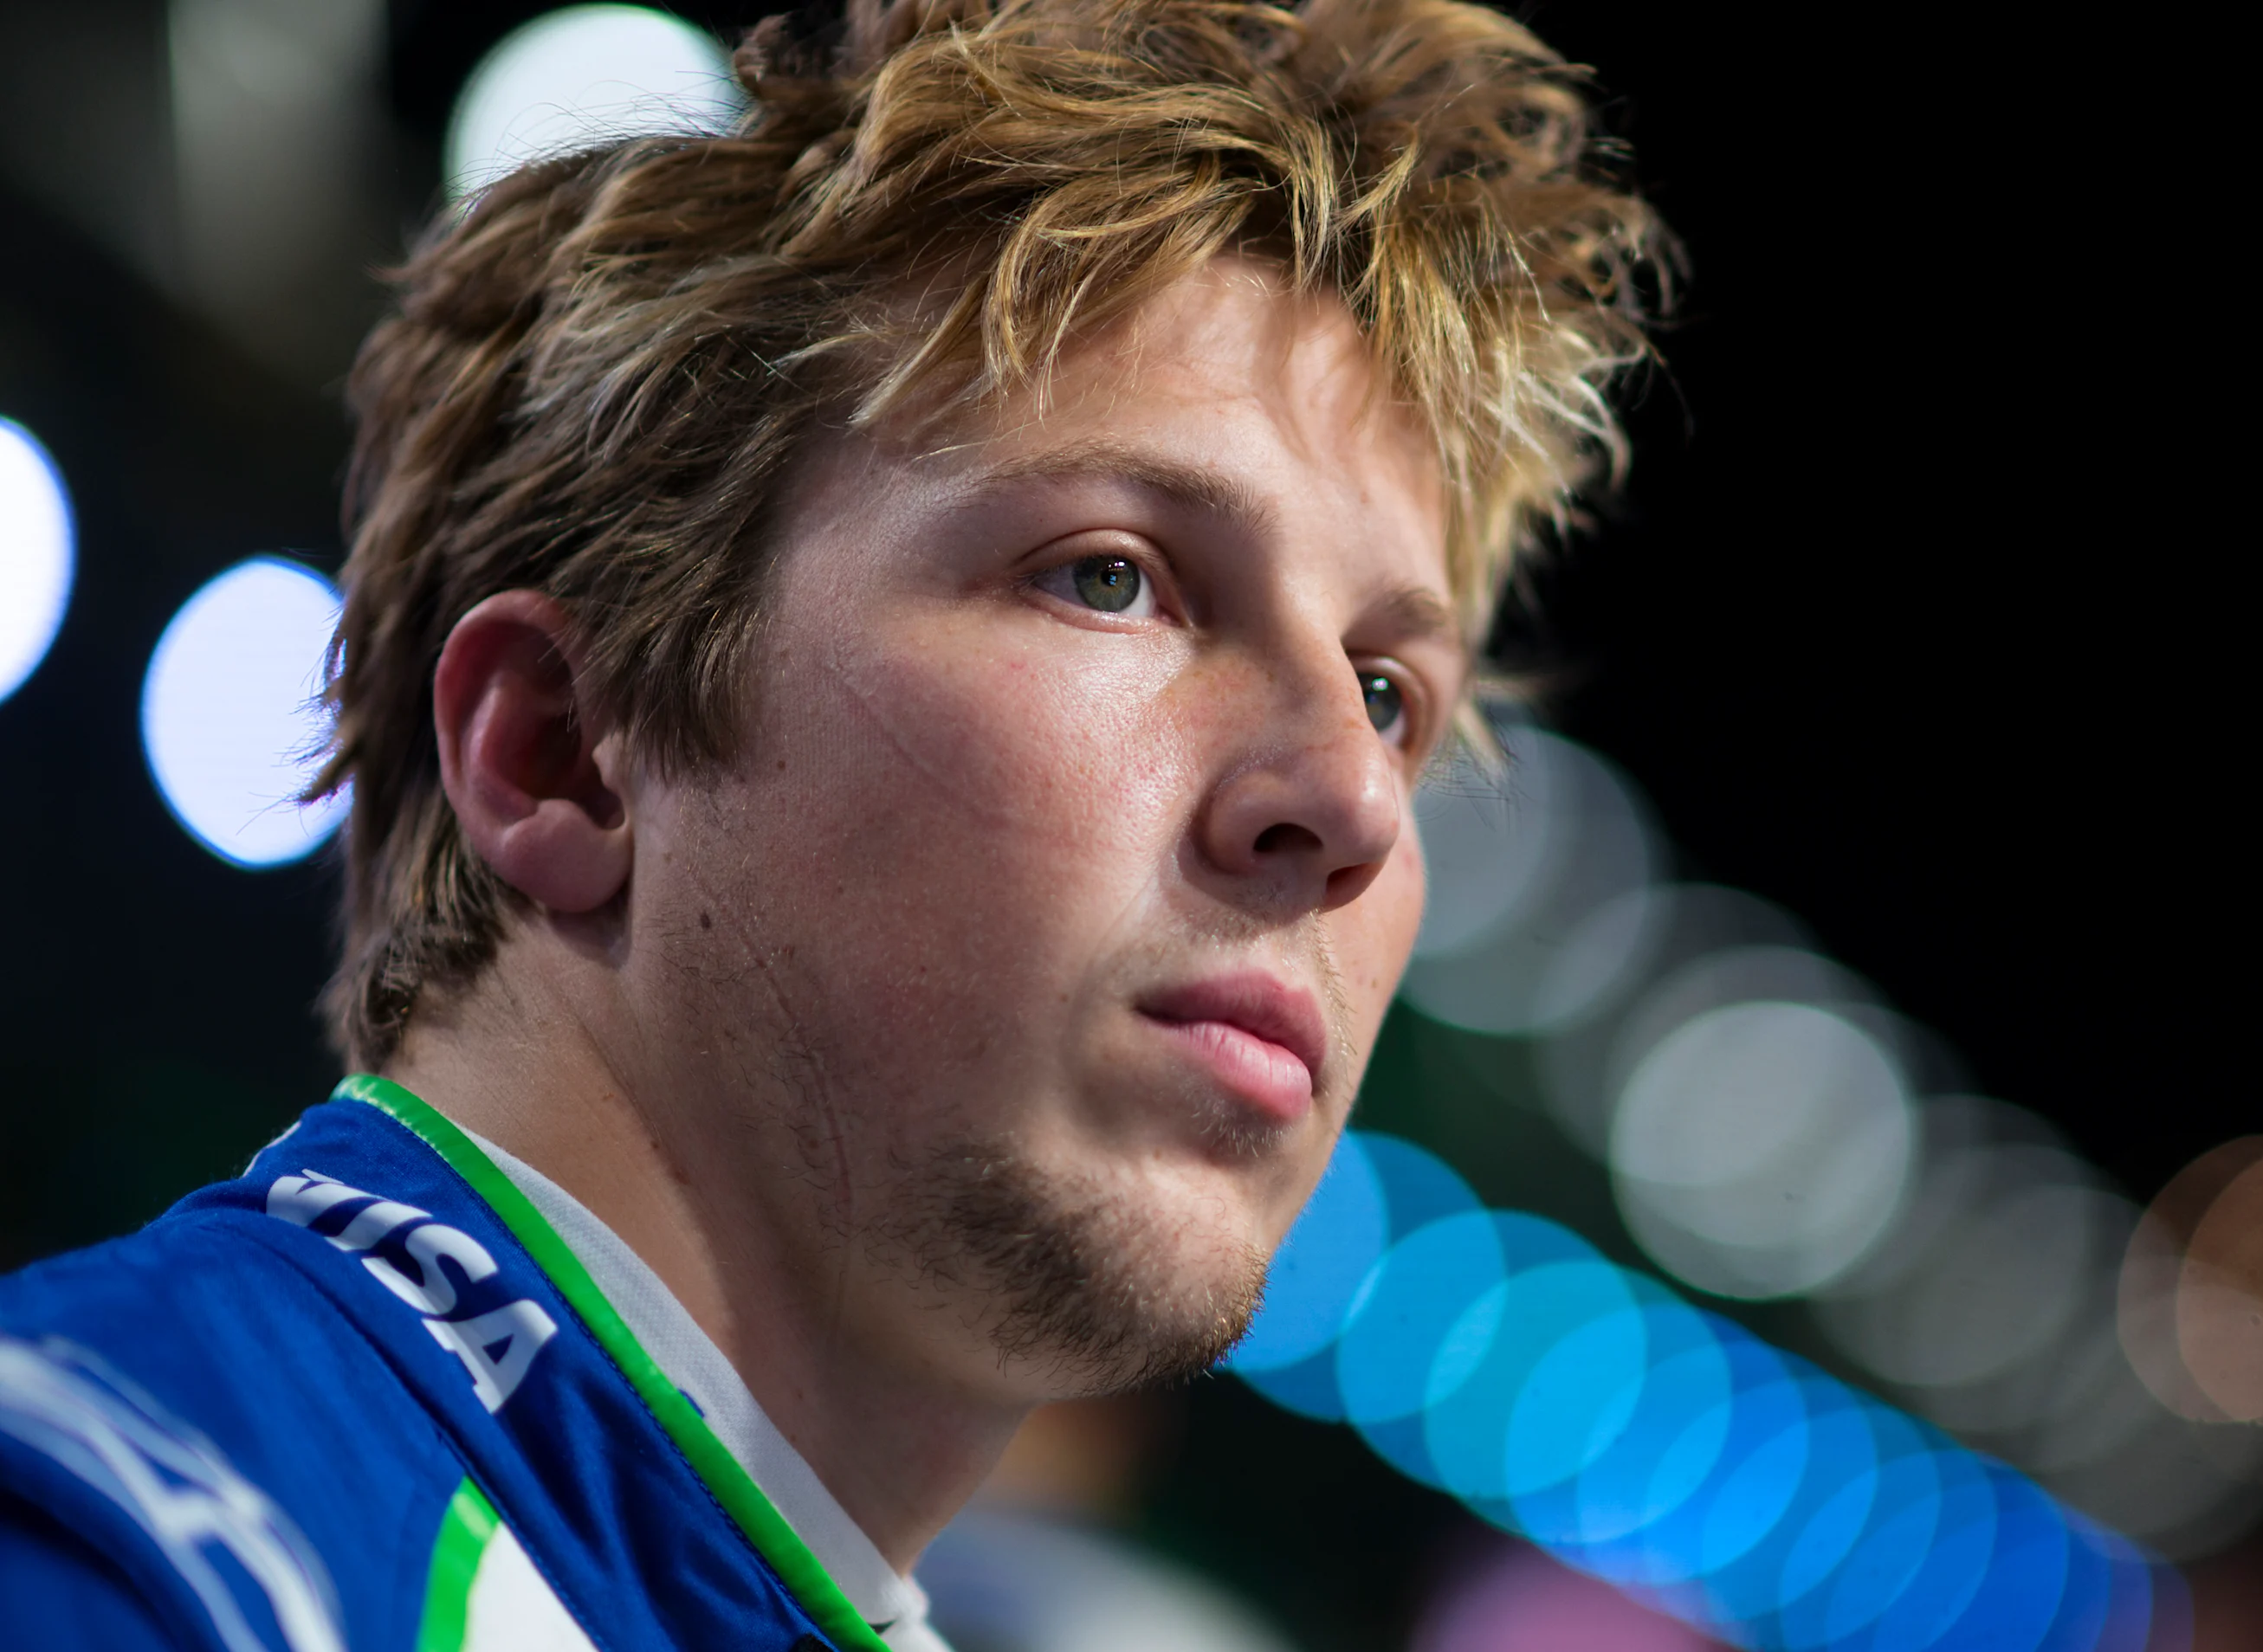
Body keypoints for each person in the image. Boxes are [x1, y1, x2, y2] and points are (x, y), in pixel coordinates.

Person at [0, 1, 1666, 1645]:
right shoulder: (108, 1548)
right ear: (565, 751)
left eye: (1390, 690)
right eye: (1114, 577)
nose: (1355, 797)